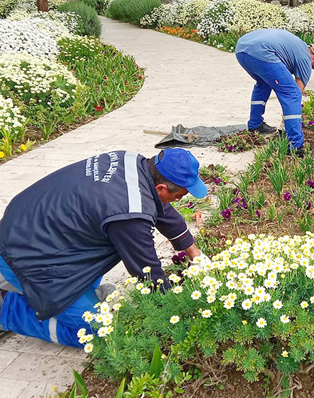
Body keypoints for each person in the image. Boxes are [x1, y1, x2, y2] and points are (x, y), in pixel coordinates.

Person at [0, 148, 209, 348]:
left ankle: (77, 293)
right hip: (26, 253)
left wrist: (193, 253)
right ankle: (6, 308)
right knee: (100, 334)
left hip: (37, 227)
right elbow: (146, 269)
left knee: (103, 245)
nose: (177, 200)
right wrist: (174, 313)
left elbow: (161, 208)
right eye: (179, 196)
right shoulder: (128, 213)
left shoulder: (134, 164)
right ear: (161, 188)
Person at [236, 28, 314, 157]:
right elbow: (296, 93)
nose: (312, 68)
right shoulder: (305, 57)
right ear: (313, 56)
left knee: (262, 84)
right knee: (292, 94)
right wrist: (285, 122)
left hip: (242, 49)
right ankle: (295, 146)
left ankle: (255, 125)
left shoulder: (295, 45)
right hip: (263, 52)